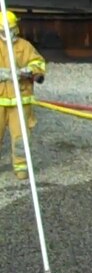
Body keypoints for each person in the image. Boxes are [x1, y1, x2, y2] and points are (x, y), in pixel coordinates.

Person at [0, 11, 46, 180]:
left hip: (21, 98)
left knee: (20, 137)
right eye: (4, 31)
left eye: (11, 30)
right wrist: (3, 74)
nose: (8, 34)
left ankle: (20, 166)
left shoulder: (24, 46)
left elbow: (38, 63)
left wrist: (29, 70)